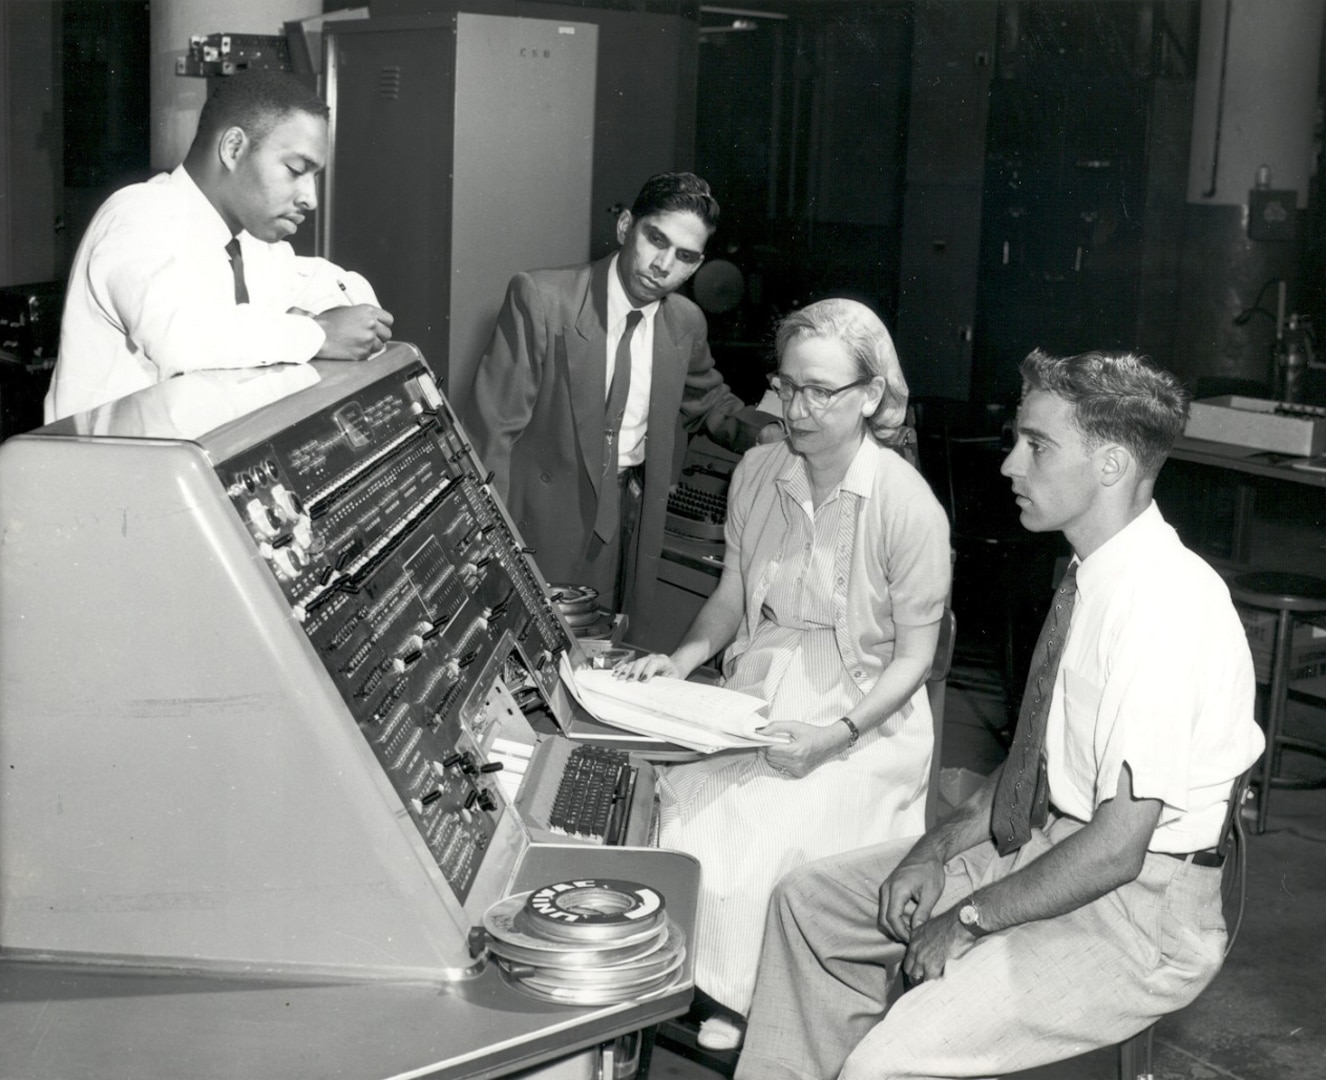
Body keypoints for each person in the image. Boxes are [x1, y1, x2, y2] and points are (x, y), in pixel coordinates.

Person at [733, 348, 1266, 1080]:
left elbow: (1117, 849)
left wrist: (970, 915)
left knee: (885, 1065)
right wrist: (935, 850)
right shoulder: (1093, 572)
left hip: (1136, 913)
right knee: (811, 903)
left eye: (1037, 445)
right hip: (1051, 847)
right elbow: (1033, 772)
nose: (1011, 464)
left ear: (1111, 466)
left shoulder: (1164, 609)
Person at [618, 298, 951, 1051]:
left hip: (867, 710)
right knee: (676, 796)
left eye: (820, 392)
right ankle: (691, 980)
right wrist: (678, 663)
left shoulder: (908, 506)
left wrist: (833, 738)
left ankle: (747, 1001)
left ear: (869, 396)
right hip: (766, 681)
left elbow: (914, 659)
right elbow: (733, 594)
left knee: (765, 826)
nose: (795, 409)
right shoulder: (760, 468)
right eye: (787, 385)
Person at [461, 172, 778, 618]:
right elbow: (491, 436)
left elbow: (709, 402)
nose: (664, 264)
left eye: (685, 256)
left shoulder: (686, 322)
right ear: (626, 227)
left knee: (608, 647)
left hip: (631, 524)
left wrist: (772, 433)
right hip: (540, 521)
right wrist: (491, 544)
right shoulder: (542, 299)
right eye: (656, 239)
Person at [47, 70, 393, 422]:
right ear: (233, 148)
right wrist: (318, 333)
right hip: (109, 467)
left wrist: (328, 322)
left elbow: (341, 291)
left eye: (314, 177)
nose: (310, 199)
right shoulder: (139, 215)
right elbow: (182, 340)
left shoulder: (250, 243)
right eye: (295, 169)